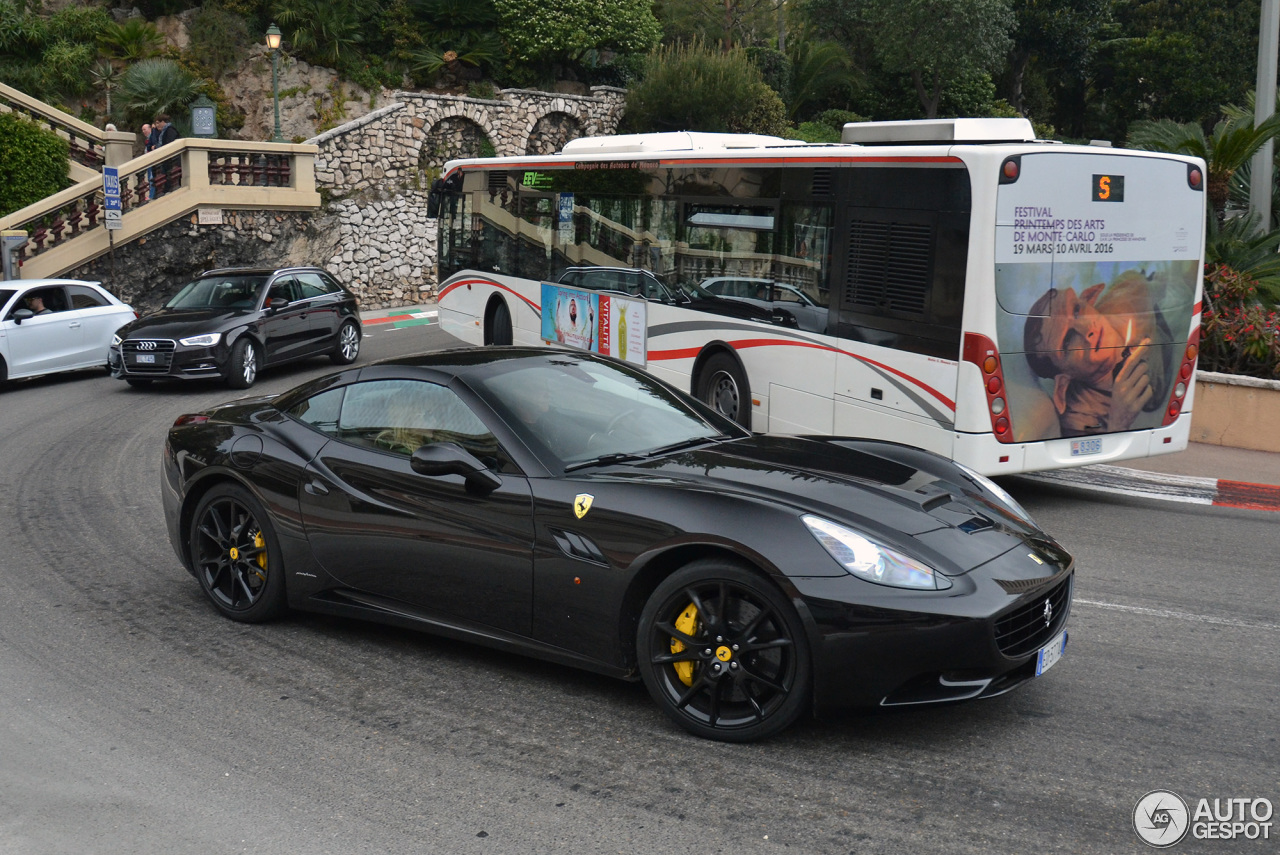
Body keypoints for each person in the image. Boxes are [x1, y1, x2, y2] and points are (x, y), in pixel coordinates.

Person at [1023, 276, 1172, 436]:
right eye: (1067, 341)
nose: (1088, 329)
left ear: (1089, 297)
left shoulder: (1127, 293)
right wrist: (1118, 423)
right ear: (1062, 386)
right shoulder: (1080, 419)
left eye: (1077, 310)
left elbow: (1162, 286)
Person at [153, 113, 180, 195]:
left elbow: (169, 143)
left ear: (163, 122)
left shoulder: (170, 130)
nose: (156, 125)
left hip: (172, 161)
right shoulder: (162, 132)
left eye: (158, 123)